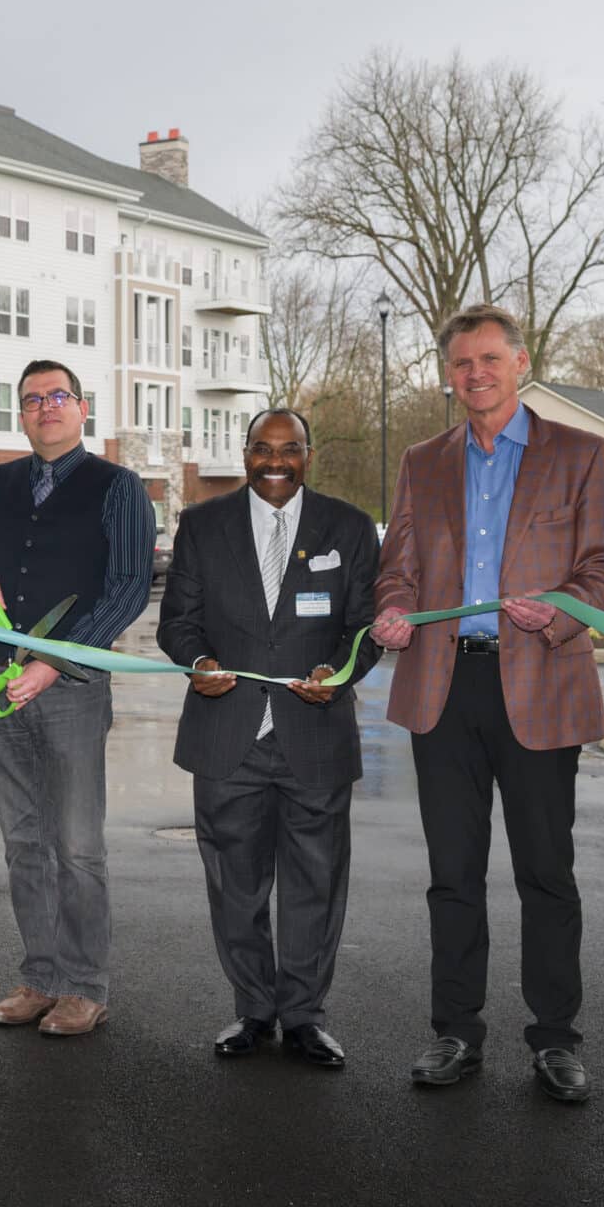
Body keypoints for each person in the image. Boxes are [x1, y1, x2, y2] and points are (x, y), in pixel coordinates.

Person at [371, 305, 604, 1101]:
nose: (474, 374)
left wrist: (563, 612)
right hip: (444, 686)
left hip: (540, 681)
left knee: (547, 872)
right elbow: (398, 565)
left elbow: (601, 568)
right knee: (453, 873)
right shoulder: (422, 461)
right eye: (460, 363)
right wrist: (393, 607)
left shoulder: (583, 454)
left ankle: (555, 1040)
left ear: (520, 362)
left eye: (488, 359)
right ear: (448, 376)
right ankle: (455, 1031)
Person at [0, 359, 155, 1038]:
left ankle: (85, 985)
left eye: (58, 396)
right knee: (23, 840)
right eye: (32, 399)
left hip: (71, 689)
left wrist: (54, 661)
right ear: (20, 413)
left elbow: (128, 587)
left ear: (82, 409)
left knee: (77, 843)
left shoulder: (119, 487)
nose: (45, 407)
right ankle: (41, 977)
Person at [158, 408, 383, 1067]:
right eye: (262, 448)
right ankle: (254, 1007)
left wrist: (338, 673)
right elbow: (179, 621)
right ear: (246, 452)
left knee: (316, 882)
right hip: (229, 734)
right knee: (236, 883)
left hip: (315, 731)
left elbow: (364, 625)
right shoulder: (203, 524)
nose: (275, 460)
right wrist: (198, 663)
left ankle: (305, 1015)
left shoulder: (346, 526)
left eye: (290, 448)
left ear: (308, 454)